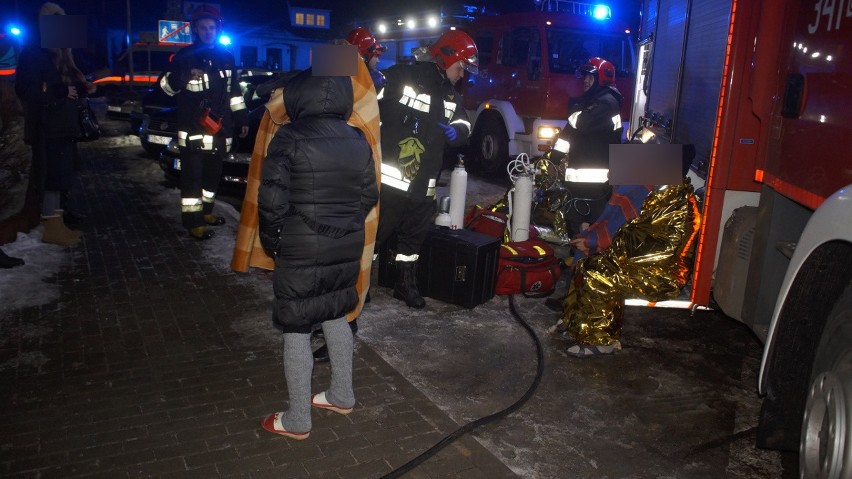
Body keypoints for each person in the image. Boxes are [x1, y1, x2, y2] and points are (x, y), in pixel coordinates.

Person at [257, 67, 379, 440]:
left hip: (300, 244)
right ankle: (342, 395)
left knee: (296, 325)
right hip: (345, 243)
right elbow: (368, 195)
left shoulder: (288, 137)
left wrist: (274, 243)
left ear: (299, 96)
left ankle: (298, 419)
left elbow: (271, 202)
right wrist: (344, 227)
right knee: (335, 312)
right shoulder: (358, 138)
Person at [375, 30, 478, 308]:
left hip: (425, 182)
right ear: (446, 60)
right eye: (460, 67)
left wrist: (459, 131)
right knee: (375, 234)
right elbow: (364, 94)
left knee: (413, 238)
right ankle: (360, 283)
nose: (462, 74)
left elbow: (465, 123)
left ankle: (404, 283)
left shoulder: (450, 94)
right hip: (392, 180)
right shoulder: (400, 76)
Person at [159, 4, 248, 240]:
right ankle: (193, 222)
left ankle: (206, 213)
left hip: (219, 129)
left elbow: (235, 93)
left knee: (212, 177)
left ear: (217, 29)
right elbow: (164, 88)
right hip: (193, 131)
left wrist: (241, 118)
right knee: (193, 179)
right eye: (203, 28)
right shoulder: (183, 57)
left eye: (212, 27)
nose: (208, 32)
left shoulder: (227, 57)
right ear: (195, 29)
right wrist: (183, 77)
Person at [15, 2, 94, 246]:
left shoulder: (62, 55)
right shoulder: (33, 54)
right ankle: (52, 227)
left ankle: (57, 224)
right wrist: (59, 90)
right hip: (48, 127)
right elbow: (26, 90)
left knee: (61, 177)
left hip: (64, 126)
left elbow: (64, 86)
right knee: (52, 178)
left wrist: (83, 87)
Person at [546, 57, 624, 240]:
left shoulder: (607, 103)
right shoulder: (591, 101)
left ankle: (585, 261)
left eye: (591, 76)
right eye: (585, 77)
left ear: (603, 78)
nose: (585, 81)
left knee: (592, 225)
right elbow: (568, 134)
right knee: (576, 221)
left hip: (596, 183)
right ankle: (578, 261)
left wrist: (575, 112)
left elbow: (579, 123)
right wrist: (554, 158)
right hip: (581, 181)